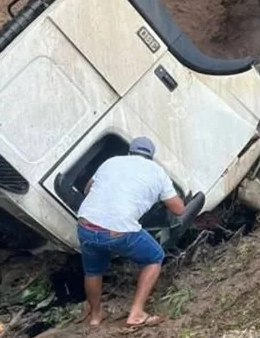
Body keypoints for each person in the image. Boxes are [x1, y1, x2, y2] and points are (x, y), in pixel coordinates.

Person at [76, 136, 186, 327]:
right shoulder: (158, 173)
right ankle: (136, 313)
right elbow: (179, 209)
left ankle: (95, 316)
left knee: (93, 271)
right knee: (154, 258)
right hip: (118, 230)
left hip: (86, 224)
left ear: (130, 151)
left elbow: (87, 190)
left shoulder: (111, 162)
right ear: (150, 157)